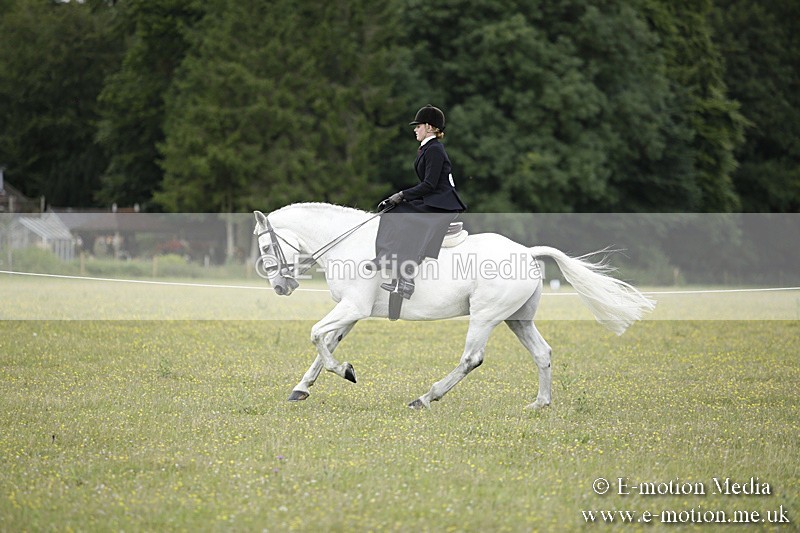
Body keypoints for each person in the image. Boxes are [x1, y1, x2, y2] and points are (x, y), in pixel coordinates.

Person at [367, 104, 467, 300]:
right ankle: (387, 260)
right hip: (434, 200)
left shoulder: (435, 149)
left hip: (443, 204)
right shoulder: (427, 148)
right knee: (393, 210)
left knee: (403, 215)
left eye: (418, 126)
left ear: (429, 127)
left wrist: (402, 194)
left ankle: (406, 279)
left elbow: (429, 184)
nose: (415, 129)